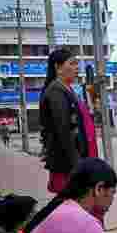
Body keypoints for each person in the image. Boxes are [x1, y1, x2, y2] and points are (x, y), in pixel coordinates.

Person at [39, 48, 98, 197]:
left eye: (77, 64)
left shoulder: (67, 89)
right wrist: (76, 166)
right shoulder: (56, 91)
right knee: (74, 201)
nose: (76, 67)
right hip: (69, 165)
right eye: (72, 63)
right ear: (58, 68)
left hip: (77, 160)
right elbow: (63, 131)